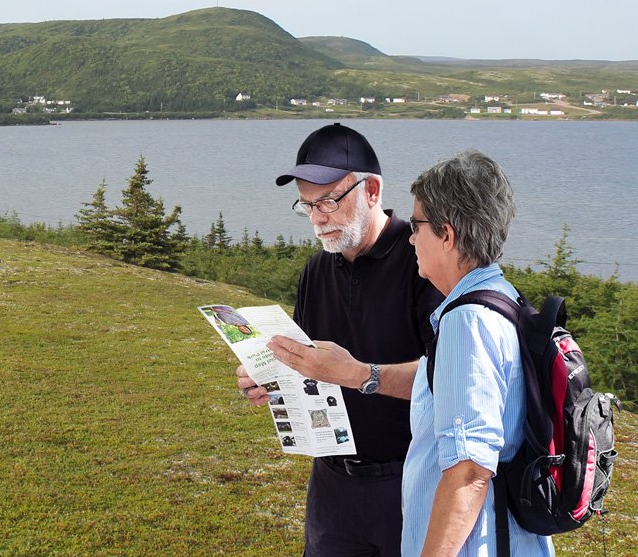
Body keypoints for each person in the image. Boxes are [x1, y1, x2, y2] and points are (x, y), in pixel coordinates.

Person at [236, 123, 444, 556]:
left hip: (411, 481)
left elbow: (453, 379)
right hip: (331, 486)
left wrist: (357, 375)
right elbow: (308, 370)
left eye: (329, 201)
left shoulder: (423, 263)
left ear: (372, 191)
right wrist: (269, 379)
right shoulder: (315, 271)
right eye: (307, 205)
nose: (317, 218)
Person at [401, 150, 552, 556]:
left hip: (480, 543)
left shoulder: (467, 321)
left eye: (416, 225)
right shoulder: (503, 299)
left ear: (446, 235)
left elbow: (469, 471)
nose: (411, 237)